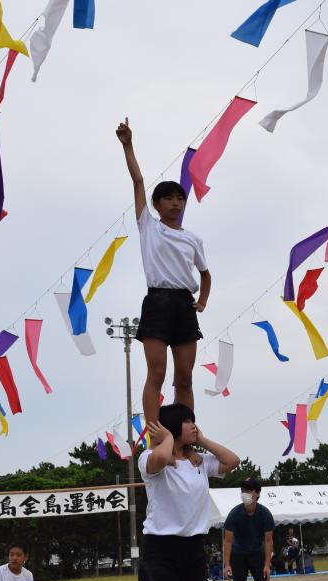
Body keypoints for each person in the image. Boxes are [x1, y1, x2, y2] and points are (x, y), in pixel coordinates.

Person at [117, 118, 211, 427]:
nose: (175, 203)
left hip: (184, 304)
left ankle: (187, 432)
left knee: (184, 378)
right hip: (157, 302)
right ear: (156, 205)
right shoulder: (149, 227)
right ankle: (157, 432)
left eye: (179, 198)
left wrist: (203, 300)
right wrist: (128, 145)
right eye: (168, 198)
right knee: (156, 372)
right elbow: (138, 182)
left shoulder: (192, 239)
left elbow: (205, 274)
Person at [138, 403, 241, 581]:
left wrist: (202, 441)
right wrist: (168, 440)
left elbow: (232, 460)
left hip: (193, 549)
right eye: (185, 421)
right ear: (171, 426)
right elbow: (158, 459)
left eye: (193, 420)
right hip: (160, 551)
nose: (191, 425)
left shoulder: (200, 462)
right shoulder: (150, 458)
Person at [224, 479, 278, 581]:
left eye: (249, 490)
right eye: (243, 490)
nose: (245, 493)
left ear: (257, 493)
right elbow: (227, 541)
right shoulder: (234, 514)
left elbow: (268, 541)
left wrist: (267, 564)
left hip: (257, 553)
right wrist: (227, 565)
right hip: (238, 554)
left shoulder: (265, 514)